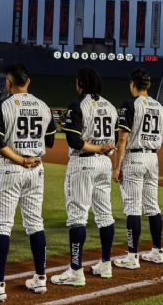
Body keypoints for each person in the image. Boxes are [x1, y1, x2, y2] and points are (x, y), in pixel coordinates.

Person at [0, 64, 57, 301]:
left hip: (11, 168)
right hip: (36, 169)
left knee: (2, 226)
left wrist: (20, 159)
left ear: (9, 82)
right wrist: (30, 155)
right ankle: (41, 279)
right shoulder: (43, 106)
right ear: (28, 81)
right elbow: (49, 142)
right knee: (35, 223)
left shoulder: (2, 106)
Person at [51, 68, 117, 286]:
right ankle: (106, 264)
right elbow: (112, 140)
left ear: (81, 83)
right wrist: (102, 150)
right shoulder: (110, 106)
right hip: (104, 164)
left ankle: (76, 271)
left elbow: (73, 140)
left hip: (84, 162)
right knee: (105, 215)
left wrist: (96, 148)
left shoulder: (78, 105)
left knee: (77, 217)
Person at [112, 69, 163, 269]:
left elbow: (122, 138)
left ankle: (132, 256)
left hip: (134, 157)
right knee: (153, 207)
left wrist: (117, 166)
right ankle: (157, 251)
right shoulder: (160, 107)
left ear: (133, 84)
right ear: (149, 85)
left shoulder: (130, 104)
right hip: (153, 158)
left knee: (133, 208)